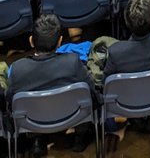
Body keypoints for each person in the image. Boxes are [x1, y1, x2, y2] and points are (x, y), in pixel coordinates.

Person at [9, 13, 94, 153]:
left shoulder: (18, 69)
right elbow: (91, 91)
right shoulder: (72, 62)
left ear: (31, 41)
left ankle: (37, 140)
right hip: (72, 116)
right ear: (60, 42)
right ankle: (80, 136)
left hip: (33, 121)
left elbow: (9, 102)